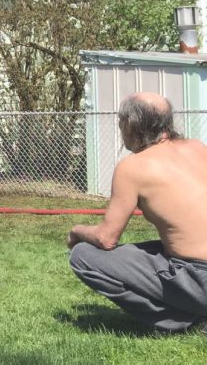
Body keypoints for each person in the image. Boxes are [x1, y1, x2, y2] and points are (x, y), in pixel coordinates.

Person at [68, 92, 207, 334]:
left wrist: (76, 231)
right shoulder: (198, 147)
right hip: (196, 266)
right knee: (151, 250)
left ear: (130, 125)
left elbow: (106, 238)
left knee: (83, 256)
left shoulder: (132, 167)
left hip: (198, 276)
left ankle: (186, 321)